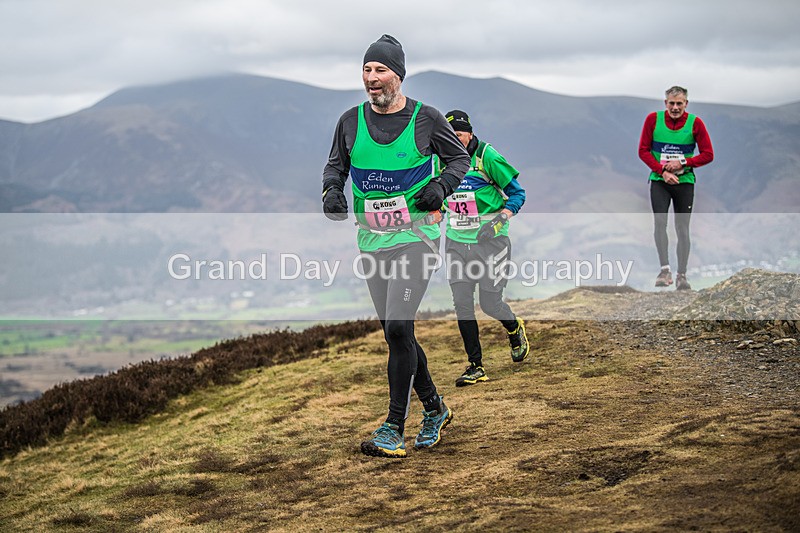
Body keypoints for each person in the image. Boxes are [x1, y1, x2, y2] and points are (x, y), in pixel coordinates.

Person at [322, 35, 470, 458]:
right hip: (373, 241)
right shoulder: (350, 121)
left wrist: (441, 187)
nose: (372, 77)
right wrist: (331, 192)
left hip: (416, 238)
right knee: (396, 332)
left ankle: (393, 427)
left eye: (380, 69)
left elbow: (459, 159)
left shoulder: (427, 119)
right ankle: (436, 408)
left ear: (398, 75)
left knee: (400, 328)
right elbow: (336, 166)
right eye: (367, 69)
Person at [440, 110, 529, 387]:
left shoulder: (486, 156)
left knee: (490, 304)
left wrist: (499, 220)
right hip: (456, 241)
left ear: (470, 133)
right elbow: (438, 196)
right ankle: (475, 366)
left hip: (490, 241)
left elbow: (518, 194)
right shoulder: (439, 160)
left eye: (459, 135)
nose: (454, 140)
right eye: (450, 136)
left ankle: (514, 327)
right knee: (462, 304)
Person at [638, 86, 714, 290]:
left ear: (686, 104)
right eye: (671, 103)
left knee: (682, 228)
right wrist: (662, 170)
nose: (675, 108)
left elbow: (708, 154)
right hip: (659, 180)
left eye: (679, 103)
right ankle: (664, 271)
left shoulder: (695, 123)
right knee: (660, 222)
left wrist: (683, 163)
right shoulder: (653, 120)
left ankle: (682, 275)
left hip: (684, 182)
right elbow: (643, 151)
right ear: (665, 103)